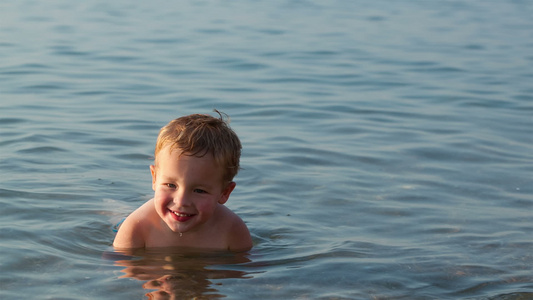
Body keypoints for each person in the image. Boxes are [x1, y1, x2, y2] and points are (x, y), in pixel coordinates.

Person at [113, 111, 252, 252]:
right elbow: (119, 267)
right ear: (154, 178)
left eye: (199, 190)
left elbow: (246, 269)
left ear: (225, 192)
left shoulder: (232, 230)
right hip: (124, 223)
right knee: (116, 215)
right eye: (170, 185)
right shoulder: (137, 227)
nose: (181, 201)